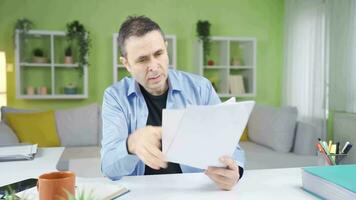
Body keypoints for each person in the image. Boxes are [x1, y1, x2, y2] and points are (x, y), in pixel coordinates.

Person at [101, 15, 245, 190]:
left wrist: (235, 170)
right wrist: (130, 144)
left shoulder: (200, 88)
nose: (154, 66)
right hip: (141, 192)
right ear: (127, 64)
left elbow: (230, 146)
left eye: (158, 54)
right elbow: (108, 167)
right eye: (142, 59)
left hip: (194, 189)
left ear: (166, 49)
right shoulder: (115, 97)